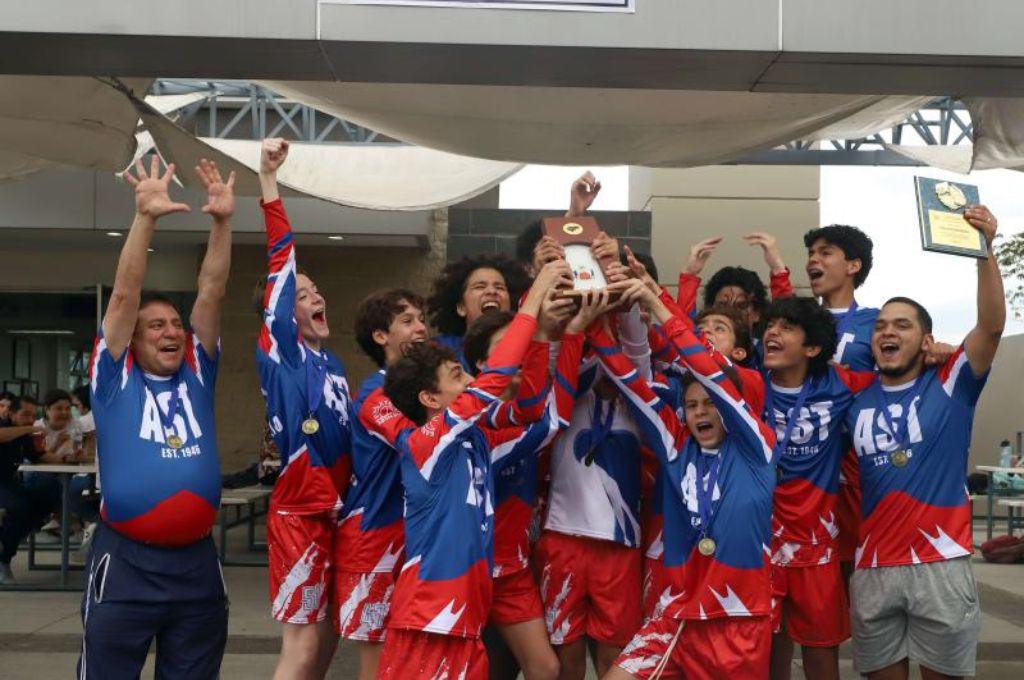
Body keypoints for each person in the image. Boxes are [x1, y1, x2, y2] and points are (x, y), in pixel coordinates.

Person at [374, 262, 576, 678]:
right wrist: (534, 297)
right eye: (457, 376)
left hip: (464, 615)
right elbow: (496, 375)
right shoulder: (427, 440)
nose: (470, 380)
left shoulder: (477, 439)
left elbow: (537, 416)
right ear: (431, 399)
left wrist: (546, 337)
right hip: (429, 618)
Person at [79, 155, 234, 679]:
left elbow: (211, 291)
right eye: (156, 326)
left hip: (196, 566)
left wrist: (222, 223)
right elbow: (125, 295)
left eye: (175, 324)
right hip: (125, 563)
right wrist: (144, 217)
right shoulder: (113, 377)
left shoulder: (197, 372)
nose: (171, 332)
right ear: (133, 339)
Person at [843, 206, 1003, 680]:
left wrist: (985, 250)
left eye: (902, 325)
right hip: (872, 566)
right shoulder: (853, 400)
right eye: (880, 326)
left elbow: (991, 327)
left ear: (926, 340)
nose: (888, 331)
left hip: (940, 562)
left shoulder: (952, 382)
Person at [590, 278, 777, 679]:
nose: (700, 412)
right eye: (691, 406)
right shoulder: (676, 446)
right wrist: (591, 326)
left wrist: (657, 302)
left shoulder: (756, 447)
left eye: (709, 403)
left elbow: (710, 374)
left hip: (737, 615)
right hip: (675, 613)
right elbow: (630, 383)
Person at [256, 138, 354, 680]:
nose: (315, 297)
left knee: (331, 632)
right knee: (302, 641)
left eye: (317, 291)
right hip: (299, 514)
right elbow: (282, 259)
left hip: (337, 511)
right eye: (302, 293)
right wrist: (269, 183)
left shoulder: (331, 361)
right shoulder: (281, 348)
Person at [461, 298, 591, 680]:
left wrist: (569, 333)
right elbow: (551, 420)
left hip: (514, 567)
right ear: (482, 364)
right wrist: (565, 334)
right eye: (508, 346)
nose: (518, 353)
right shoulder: (471, 420)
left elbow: (547, 411)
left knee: (545, 667)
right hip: (468, 567)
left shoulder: (526, 410)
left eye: (522, 345)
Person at [758, 297, 876, 680]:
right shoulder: (749, 385)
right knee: (765, 651)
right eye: (770, 325)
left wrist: (935, 353)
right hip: (760, 546)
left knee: (822, 653)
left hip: (817, 548)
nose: (772, 332)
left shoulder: (839, 383)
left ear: (811, 348)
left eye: (786, 327)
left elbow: (897, 377)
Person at [338, 288, 429, 679]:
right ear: (380, 336)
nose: (421, 328)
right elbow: (417, 444)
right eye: (407, 321)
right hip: (371, 542)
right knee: (377, 663)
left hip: (409, 539)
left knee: (406, 658)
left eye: (422, 319)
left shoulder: (418, 392)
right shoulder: (375, 394)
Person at [676, 233, 794, 339]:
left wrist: (778, 268)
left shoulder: (769, 350)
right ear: (709, 310)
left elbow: (785, 319)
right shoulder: (699, 349)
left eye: (741, 306)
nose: (731, 313)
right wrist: (689, 274)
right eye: (722, 306)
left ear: (757, 314)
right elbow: (684, 329)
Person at [426, 254, 531, 369]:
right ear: (461, 308)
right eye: (480, 287)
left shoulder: (528, 348)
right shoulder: (439, 350)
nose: (492, 291)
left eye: (500, 287)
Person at [0, 395, 47, 584]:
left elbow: (37, 457)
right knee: (20, 508)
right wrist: (30, 428)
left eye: (33, 416)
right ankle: (3, 560)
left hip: (9, 483)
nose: (30, 419)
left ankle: (6, 545)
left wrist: (67, 456)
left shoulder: (24, 436)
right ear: (11, 413)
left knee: (47, 496)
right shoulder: (6, 426)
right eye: (25, 414)